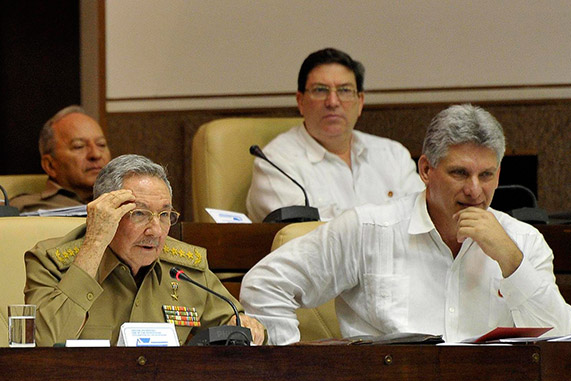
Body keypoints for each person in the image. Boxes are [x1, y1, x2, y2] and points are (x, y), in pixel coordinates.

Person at [240, 104, 571, 345]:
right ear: (426, 170)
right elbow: (266, 284)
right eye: (459, 173)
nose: (474, 190)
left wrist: (511, 261)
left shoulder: (523, 241)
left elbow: (565, 338)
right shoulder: (369, 229)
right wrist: (295, 376)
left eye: (486, 175)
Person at [25, 154, 264, 346]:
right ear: (105, 214)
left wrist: (245, 325)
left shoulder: (185, 268)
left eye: (164, 215)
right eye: (139, 213)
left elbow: (235, 325)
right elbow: (42, 342)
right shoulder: (50, 263)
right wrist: (95, 243)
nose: (156, 231)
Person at [246, 48, 423, 222]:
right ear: (300, 101)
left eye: (344, 90)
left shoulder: (393, 155)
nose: (332, 102)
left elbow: (422, 217)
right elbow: (300, 238)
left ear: (360, 102)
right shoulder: (277, 163)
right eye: (320, 90)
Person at [10, 105, 111, 213]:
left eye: (101, 144)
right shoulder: (23, 207)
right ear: (50, 165)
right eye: (79, 146)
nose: (95, 154)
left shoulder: (127, 199)